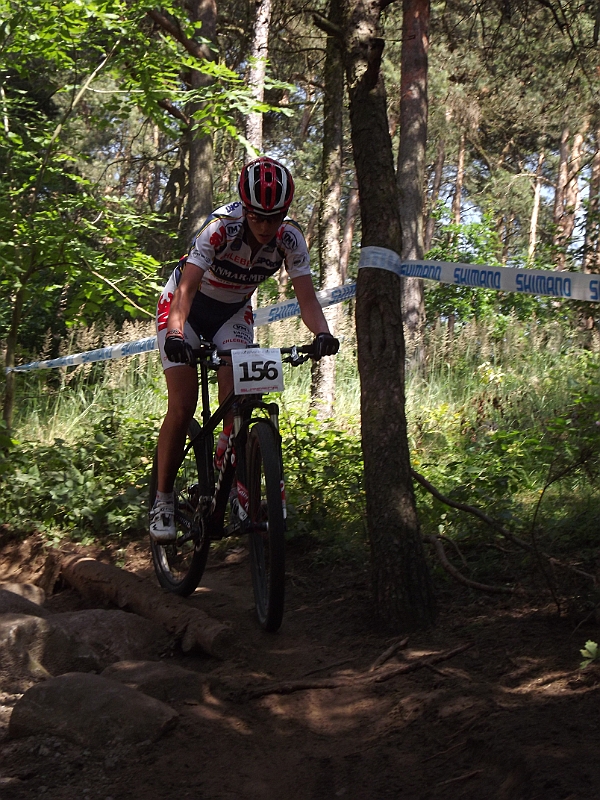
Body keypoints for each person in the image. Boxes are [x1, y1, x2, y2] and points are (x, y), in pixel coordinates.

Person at [150, 156, 339, 542]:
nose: (266, 227)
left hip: (233, 313)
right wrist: (175, 334)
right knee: (183, 406)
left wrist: (323, 333)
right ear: (245, 208)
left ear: (284, 214)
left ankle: (233, 478)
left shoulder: (290, 238)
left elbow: (307, 300)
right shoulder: (220, 229)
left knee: (238, 400)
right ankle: (163, 500)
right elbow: (186, 289)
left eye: (274, 218)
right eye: (257, 217)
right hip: (184, 309)